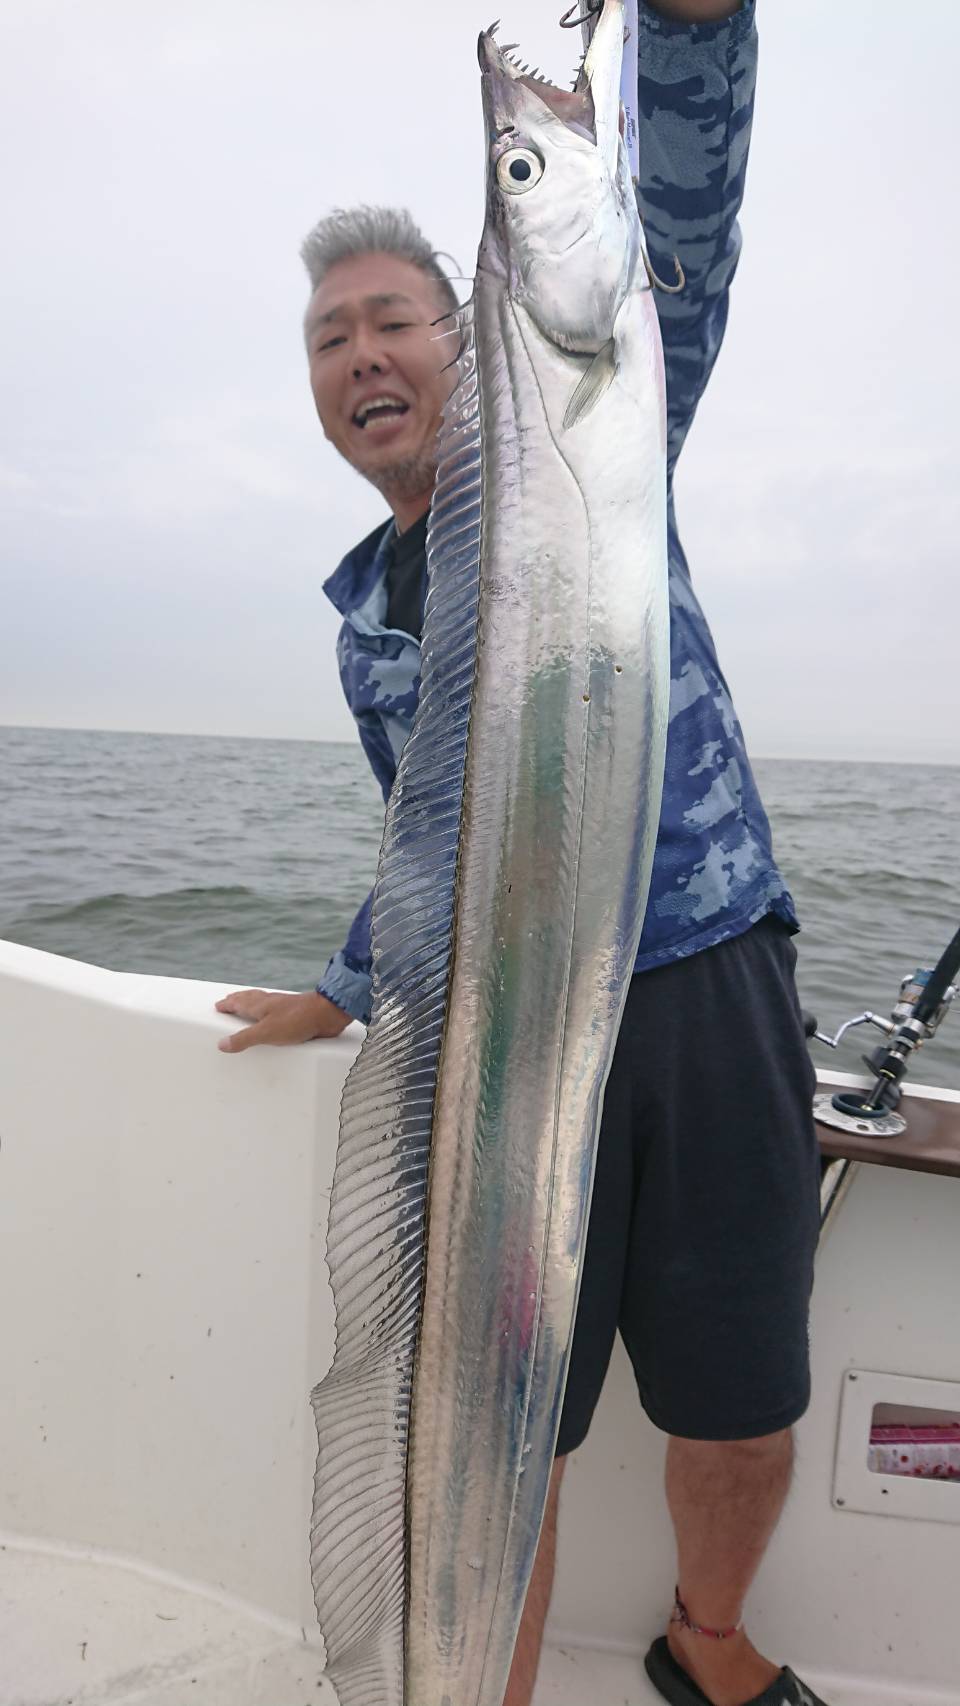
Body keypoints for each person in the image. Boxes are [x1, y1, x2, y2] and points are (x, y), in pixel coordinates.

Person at [216, 4, 827, 1703]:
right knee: (499, 1411)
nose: (361, 358)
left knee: (742, 1389)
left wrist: (694, 33)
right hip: (499, 1048)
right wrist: (343, 986)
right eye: (330, 340)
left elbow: (678, 228)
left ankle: (708, 1638)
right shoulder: (368, 631)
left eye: (392, 319)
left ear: (467, 328)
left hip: (702, 972)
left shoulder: (595, 434)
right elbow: (431, 849)